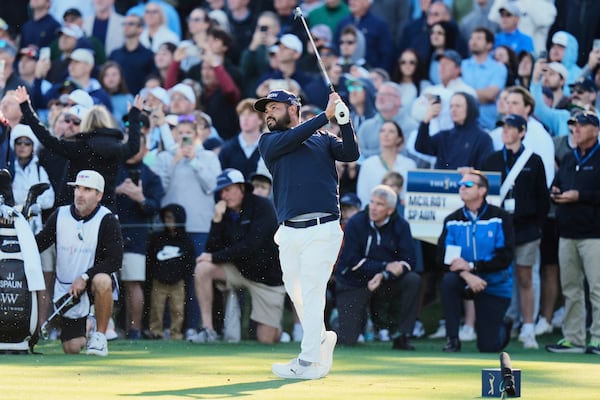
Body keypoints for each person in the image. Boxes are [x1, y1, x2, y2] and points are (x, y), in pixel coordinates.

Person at [255, 89, 359, 379]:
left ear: (293, 108)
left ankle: (308, 361)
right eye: (266, 111)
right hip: (288, 231)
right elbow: (292, 139)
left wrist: (344, 121)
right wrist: (324, 117)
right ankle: (322, 339)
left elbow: (351, 153)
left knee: (313, 291)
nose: (268, 114)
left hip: (322, 227)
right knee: (298, 293)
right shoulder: (270, 142)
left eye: (274, 107)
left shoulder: (323, 138)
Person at [35, 169, 123, 355]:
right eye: (78, 188)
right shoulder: (60, 215)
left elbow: (114, 261)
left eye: (87, 190)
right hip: (69, 290)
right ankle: (89, 324)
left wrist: (85, 277)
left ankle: (100, 335)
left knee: (103, 280)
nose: (80, 194)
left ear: (99, 195)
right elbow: (40, 242)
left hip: (92, 282)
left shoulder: (107, 219)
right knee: (72, 347)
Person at [193, 168, 285, 344]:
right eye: (221, 191)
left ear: (241, 188)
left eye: (227, 190)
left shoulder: (263, 206)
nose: (223, 195)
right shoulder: (224, 211)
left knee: (266, 339)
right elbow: (212, 249)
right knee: (203, 268)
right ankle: (208, 329)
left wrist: (214, 257)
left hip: (268, 279)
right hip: (238, 270)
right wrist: (216, 220)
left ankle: (277, 329)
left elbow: (251, 245)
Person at [16, 86, 143, 211]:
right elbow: (134, 146)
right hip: (107, 212)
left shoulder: (79, 148)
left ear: (85, 124)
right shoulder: (117, 148)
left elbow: (47, 139)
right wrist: (135, 115)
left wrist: (26, 107)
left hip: (78, 212)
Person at [482, 114, 549, 349]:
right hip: (498, 230)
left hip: (526, 229)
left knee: (525, 277)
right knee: (498, 277)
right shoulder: (491, 159)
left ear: (522, 132)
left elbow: (543, 198)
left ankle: (528, 327)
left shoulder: (534, 160)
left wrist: (537, 225)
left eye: (511, 128)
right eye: (504, 127)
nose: (506, 131)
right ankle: (499, 325)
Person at [335, 184, 421, 349]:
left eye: (379, 204)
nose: (373, 208)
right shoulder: (356, 222)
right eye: (372, 202)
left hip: (385, 281)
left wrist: (384, 274)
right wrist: (385, 267)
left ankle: (402, 334)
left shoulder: (401, 225)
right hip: (353, 281)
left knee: (413, 280)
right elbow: (353, 261)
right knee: (347, 340)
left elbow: (409, 261)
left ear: (390, 210)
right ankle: (340, 323)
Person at [438, 170, 515, 353]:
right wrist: (467, 274)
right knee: (449, 282)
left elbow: (505, 256)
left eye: (468, 185)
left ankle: (504, 324)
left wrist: (474, 266)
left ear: (482, 191)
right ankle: (452, 339)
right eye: (461, 185)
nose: (462, 187)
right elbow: (443, 257)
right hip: (464, 279)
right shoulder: (452, 220)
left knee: (488, 347)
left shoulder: (500, 217)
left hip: (493, 282)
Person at [546, 111, 600, 355]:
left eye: (580, 126)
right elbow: (558, 183)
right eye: (573, 126)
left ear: (595, 130)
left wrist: (580, 196)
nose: (575, 130)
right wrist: (556, 191)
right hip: (567, 232)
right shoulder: (568, 158)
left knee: (597, 289)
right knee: (571, 288)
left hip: (594, 235)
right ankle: (574, 338)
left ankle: (598, 339)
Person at [114, 134, 164, 339]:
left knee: (133, 282)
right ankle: (106, 328)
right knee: (107, 281)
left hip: (136, 236)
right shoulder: (112, 169)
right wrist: (116, 190)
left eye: (137, 146)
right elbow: (98, 195)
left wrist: (139, 198)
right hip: (110, 233)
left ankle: (134, 330)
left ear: (145, 150)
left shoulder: (151, 176)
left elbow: (154, 208)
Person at [146, 204, 196, 340]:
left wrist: (183, 276)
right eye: (167, 217)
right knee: (156, 308)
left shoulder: (186, 240)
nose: (169, 221)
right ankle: (155, 332)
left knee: (178, 309)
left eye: (173, 218)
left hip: (178, 282)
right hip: (159, 281)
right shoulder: (157, 238)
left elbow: (190, 262)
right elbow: (150, 259)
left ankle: (176, 333)